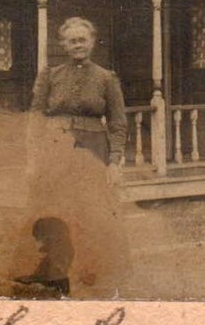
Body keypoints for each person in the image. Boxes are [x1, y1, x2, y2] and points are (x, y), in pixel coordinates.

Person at [15, 17, 131, 298]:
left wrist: (114, 162)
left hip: (92, 152)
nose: (78, 45)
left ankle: (87, 272)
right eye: (72, 40)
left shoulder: (106, 78)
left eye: (83, 39)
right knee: (53, 209)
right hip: (55, 150)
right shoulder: (50, 76)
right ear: (63, 45)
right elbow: (36, 118)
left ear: (92, 42)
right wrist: (33, 159)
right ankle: (54, 273)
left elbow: (117, 124)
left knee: (89, 211)